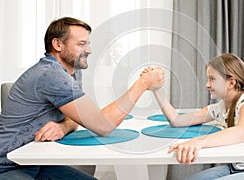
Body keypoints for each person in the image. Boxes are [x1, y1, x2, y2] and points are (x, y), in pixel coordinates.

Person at [0, 17, 165, 180]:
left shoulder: (72, 71)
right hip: (7, 166)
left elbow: (77, 119)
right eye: (81, 44)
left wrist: (63, 127)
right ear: (57, 44)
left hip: (36, 162)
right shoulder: (52, 74)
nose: (89, 50)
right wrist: (142, 84)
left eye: (88, 43)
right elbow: (102, 125)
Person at [150, 53, 244, 180]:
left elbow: (241, 133)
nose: (207, 85)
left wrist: (198, 142)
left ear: (231, 83)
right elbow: (177, 120)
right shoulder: (221, 107)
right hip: (239, 167)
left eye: (212, 79)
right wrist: (156, 90)